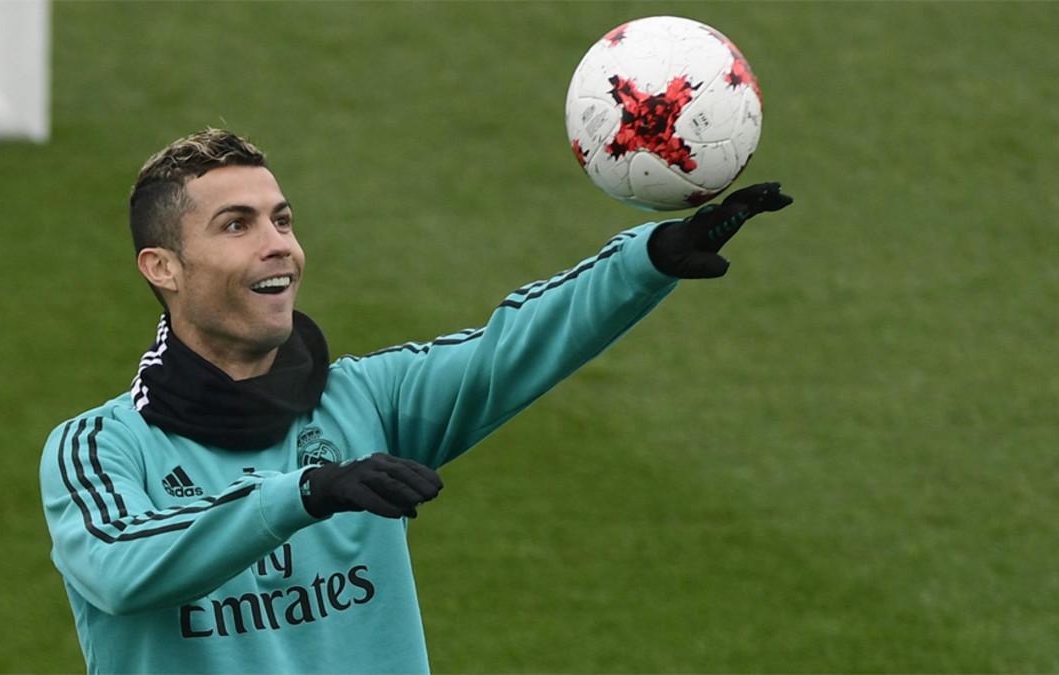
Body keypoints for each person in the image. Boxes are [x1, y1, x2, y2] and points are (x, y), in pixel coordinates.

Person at [39, 128, 792, 673]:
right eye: (237, 225)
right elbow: (122, 562)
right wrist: (307, 491)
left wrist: (649, 260)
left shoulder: (363, 397)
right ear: (162, 266)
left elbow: (510, 349)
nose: (279, 245)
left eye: (283, 219)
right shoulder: (98, 448)